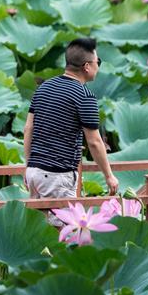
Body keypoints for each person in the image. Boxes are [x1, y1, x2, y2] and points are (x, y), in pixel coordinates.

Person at [23, 37, 118, 225]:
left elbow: (28, 128)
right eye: (97, 62)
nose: (98, 66)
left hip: (34, 172)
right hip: (57, 175)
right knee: (62, 233)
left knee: (38, 232)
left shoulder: (44, 88)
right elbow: (94, 142)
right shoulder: (84, 96)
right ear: (87, 66)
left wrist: (29, 166)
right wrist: (109, 176)